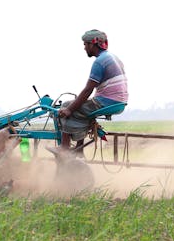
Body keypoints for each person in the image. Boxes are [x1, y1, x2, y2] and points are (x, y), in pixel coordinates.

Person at [54, 29, 128, 158]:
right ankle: (78, 150)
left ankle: (64, 148)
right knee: (80, 108)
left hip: (107, 101)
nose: (84, 48)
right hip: (119, 101)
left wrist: (68, 110)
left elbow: (88, 89)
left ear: (92, 44)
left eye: (85, 44)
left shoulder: (100, 62)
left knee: (66, 106)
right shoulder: (112, 57)